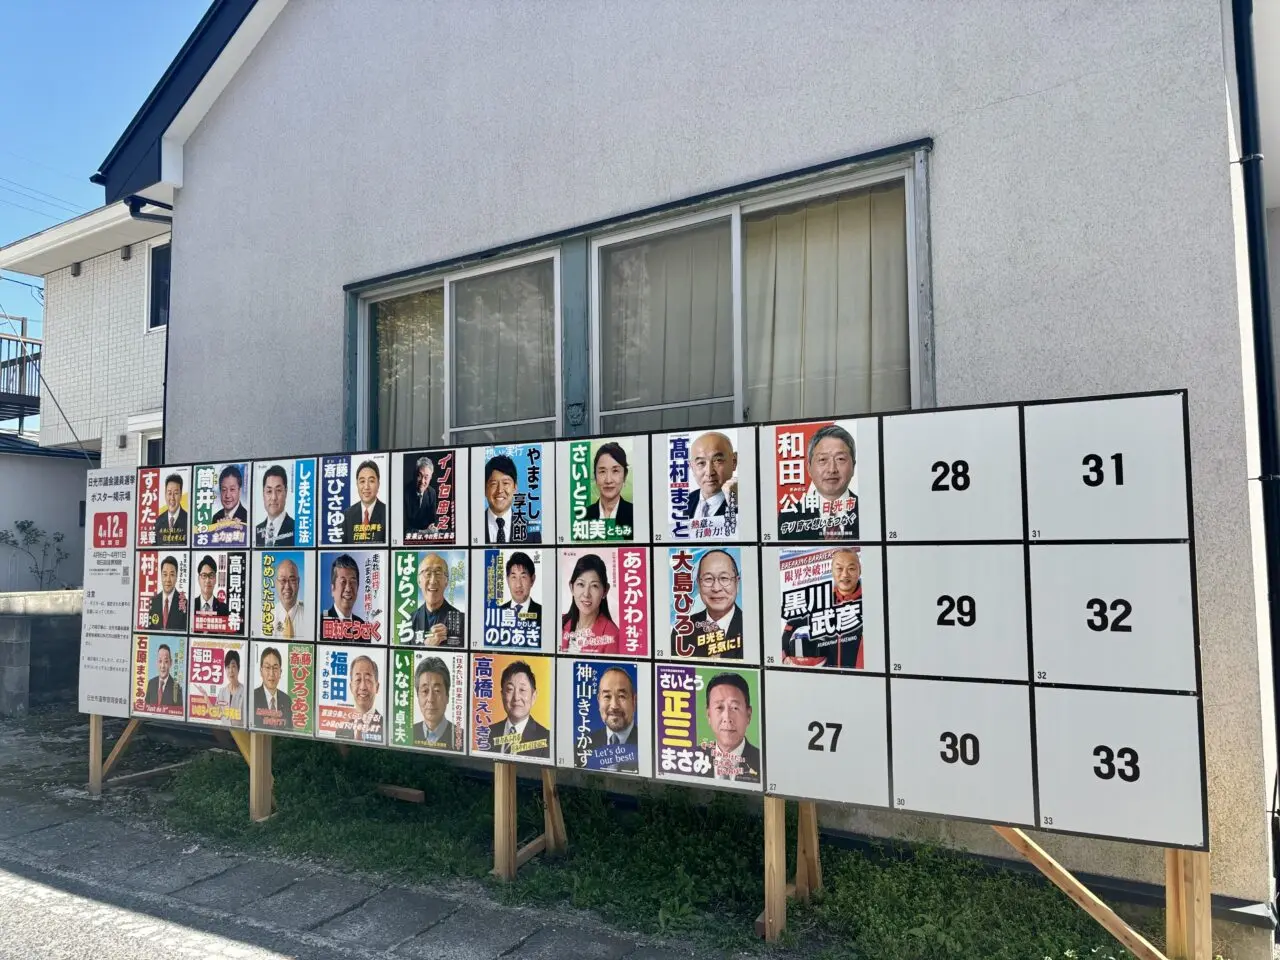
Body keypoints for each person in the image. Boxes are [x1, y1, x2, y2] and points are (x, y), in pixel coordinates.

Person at [782, 548, 864, 668]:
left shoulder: (873, 603)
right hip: (825, 676)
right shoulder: (818, 601)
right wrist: (784, 657)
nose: (845, 574)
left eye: (851, 568)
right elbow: (790, 627)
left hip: (862, 676)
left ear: (860, 570)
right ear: (832, 571)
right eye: (839, 568)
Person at [780, 424, 858, 540]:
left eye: (840, 459)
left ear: (853, 466)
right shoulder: (788, 517)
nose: (832, 469)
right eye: (822, 459)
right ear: (809, 469)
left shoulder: (871, 512)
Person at [671, 550, 743, 658]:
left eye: (724, 578)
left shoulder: (754, 628)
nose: (716, 588)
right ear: (699, 584)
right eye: (708, 579)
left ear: (737, 583)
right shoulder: (682, 630)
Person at [698, 673, 760, 783]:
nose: (727, 718)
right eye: (719, 707)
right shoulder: (690, 758)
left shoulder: (763, 760)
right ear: (708, 715)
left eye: (735, 708)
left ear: (748, 715)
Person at [482, 660, 550, 757]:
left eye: (522, 690)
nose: (516, 697)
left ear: (533, 696)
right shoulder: (486, 733)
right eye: (510, 689)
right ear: (502, 695)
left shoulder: (547, 738)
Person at [560, 553, 621, 654]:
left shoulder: (613, 635)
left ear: (605, 591)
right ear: (571, 587)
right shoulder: (559, 622)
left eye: (594, 586)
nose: (586, 594)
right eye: (581, 584)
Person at [586, 666, 638, 773]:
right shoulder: (584, 745)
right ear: (599, 700)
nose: (614, 706)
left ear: (634, 701)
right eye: (607, 696)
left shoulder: (649, 746)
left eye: (621, 696)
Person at [409, 553, 465, 646]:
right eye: (427, 574)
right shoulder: (408, 621)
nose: (433, 581)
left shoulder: (462, 621)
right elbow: (403, 652)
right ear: (419, 581)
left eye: (438, 573)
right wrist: (427, 646)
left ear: (446, 581)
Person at [484, 454, 539, 544]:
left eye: (505, 483)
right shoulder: (472, 527)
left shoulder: (532, 532)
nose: (500, 490)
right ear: (485, 489)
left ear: (515, 488)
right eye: (493, 484)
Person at [684, 432, 738, 522]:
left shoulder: (745, 503)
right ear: (691, 467)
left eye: (718, 460)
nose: (709, 472)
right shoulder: (685, 503)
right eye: (701, 463)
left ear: (734, 461)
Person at [582, 442, 634, 535]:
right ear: (595, 476)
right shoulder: (583, 516)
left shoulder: (635, 514)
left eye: (615, 471)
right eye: (602, 471)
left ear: (625, 476)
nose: (608, 480)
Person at [412, 656, 457, 749]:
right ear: (417, 696)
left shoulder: (461, 737)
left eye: (437, 690)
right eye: (425, 691)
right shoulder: (407, 734)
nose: (431, 699)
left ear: (447, 696)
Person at [336, 654, 382, 742]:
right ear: (351, 687)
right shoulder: (341, 731)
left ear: (377, 687)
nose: (363, 687)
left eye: (368, 680)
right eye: (358, 679)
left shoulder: (387, 728)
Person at [342, 459, 387, 543]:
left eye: (371, 481)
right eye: (362, 481)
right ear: (357, 484)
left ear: (378, 484)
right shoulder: (348, 514)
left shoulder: (387, 513)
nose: (366, 487)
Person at [253, 646, 293, 729]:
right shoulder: (252, 697)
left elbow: (289, 730)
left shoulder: (286, 700)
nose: (271, 673)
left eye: (275, 668)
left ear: (280, 672)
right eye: (267, 667)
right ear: (261, 671)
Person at [255, 465, 295, 546]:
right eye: (269, 491)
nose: (273, 497)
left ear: (286, 492)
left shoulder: (297, 529)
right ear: (263, 493)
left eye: (278, 490)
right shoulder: (255, 531)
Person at [147, 555, 187, 631]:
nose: (168, 579)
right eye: (165, 574)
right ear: (161, 576)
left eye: (172, 575)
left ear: (176, 577)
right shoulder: (153, 601)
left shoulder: (184, 603)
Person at [403, 455, 440, 535]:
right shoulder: (404, 493)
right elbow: (402, 526)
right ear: (414, 474)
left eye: (426, 477)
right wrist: (423, 532)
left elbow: (433, 518)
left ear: (430, 478)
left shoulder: (432, 492)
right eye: (419, 476)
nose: (422, 481)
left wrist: (433, 525)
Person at [498, 551, 541, 619]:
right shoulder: (497, 613)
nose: (518, 585)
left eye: (523, 577)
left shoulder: (543, 612)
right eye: (514, 577)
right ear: (507, 580)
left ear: (532, 579)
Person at [323, 554, 364, 622]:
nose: (348, 589)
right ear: (332, 589)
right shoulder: (321, 622)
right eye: (343, 582)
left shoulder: (362, 624)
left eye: (352, 582)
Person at [272, 558, 306, 639]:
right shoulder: (266, 617)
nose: (287, 586)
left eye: (292, 580)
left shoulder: (309, 616)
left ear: (298, 582)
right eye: (283, 580)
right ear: (276, 583)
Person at [144, 642, 184, 707]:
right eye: (160, 661)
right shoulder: (151, 683)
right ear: (157, 663)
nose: (162, 666)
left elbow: (178, 711)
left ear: (170, 663)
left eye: (166, 661)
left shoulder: (177, 689)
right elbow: (146, 707)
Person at [159, 473, 188, 541]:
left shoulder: (188, 520)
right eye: (169, 493)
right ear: (165, 494)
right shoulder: (158, 522)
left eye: (176, 493)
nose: (172, 498)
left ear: (181, 495)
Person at [217, 649, 245, 716]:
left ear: (238, 668)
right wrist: (206, 697)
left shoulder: (245, 692)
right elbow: (216, 713)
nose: (230, 671)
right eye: (228, 667)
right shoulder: (222, 692)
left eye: (233, 666)